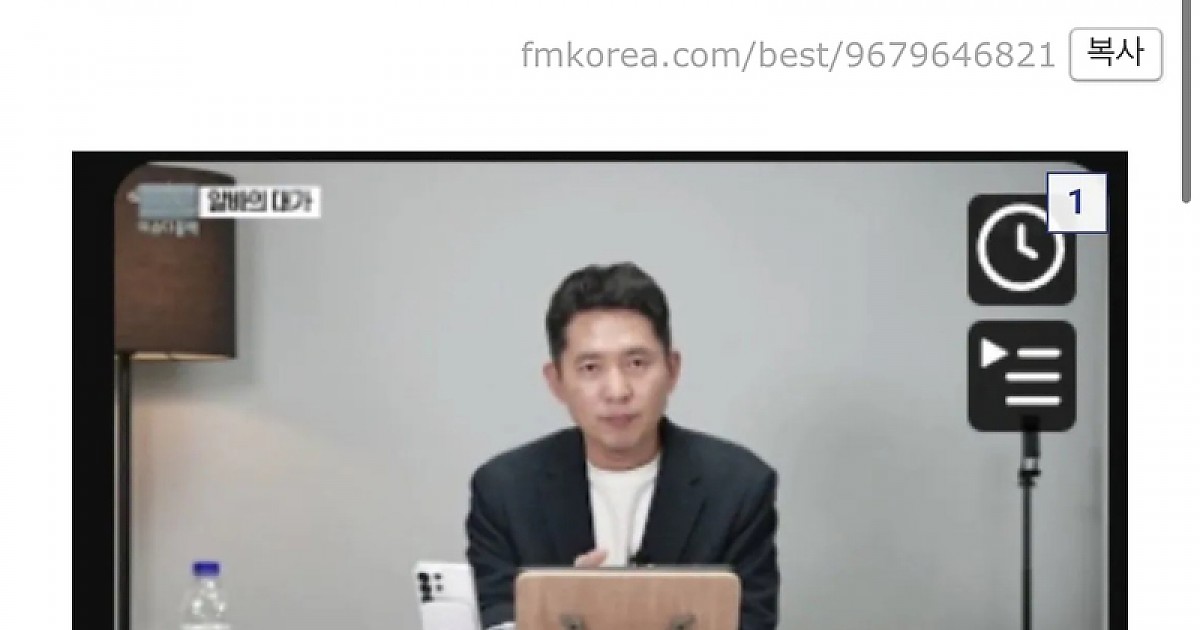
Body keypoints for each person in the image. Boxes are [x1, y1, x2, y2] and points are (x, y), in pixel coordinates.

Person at [464, 262, 780, 630]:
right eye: (590, 368)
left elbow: (752, 621)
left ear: (672, 370)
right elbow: (494, 615)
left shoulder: (738, 487)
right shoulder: (504, 491)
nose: (617, 391)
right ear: (556, 381)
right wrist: (563, 608)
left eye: (636, 363)